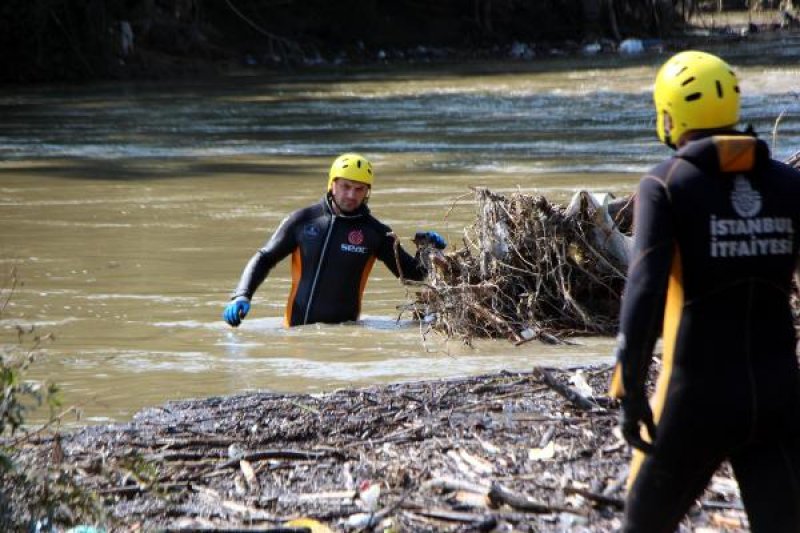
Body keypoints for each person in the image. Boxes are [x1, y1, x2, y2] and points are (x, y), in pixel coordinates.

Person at [609, 50, 800, 532]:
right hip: (778, 396)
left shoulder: (666, 185)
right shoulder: (788, 185)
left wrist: (629, 387)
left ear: (669, 115)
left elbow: (645, 289)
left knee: (642, 525)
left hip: (695, 399)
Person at [222, 153, 446, 328]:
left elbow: (412, 277)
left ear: (367, 192)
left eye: (359, 189)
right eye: (346, 186)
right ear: (332, 184)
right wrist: (242, 295)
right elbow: (265, 257)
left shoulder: (376, 233)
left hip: (344, 336)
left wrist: (428, 251)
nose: (351, 195)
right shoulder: (302, 220)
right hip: (295, 334)